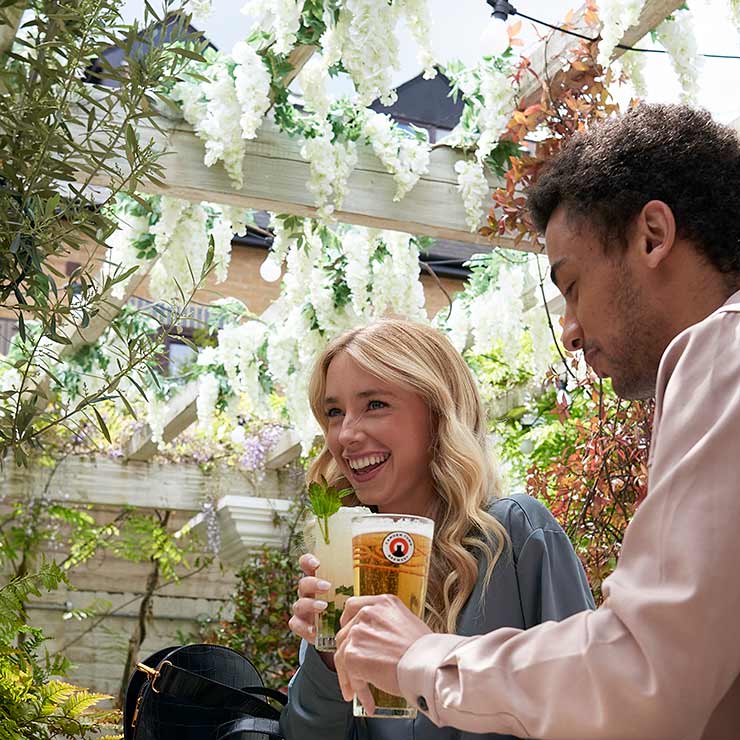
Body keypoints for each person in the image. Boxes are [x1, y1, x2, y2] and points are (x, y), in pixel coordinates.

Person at [332, 104, 740, 740]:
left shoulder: (724, 350)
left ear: (653, 236)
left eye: (572, 285)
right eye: (333, 411)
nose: (570, 332)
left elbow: (641, 675)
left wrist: (422, 657)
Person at [280, 318, 595, 740]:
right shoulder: (347, 561)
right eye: (334, 412)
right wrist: (328, 660)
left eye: (374, 404)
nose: (346, 434)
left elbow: (588, 701)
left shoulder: (514, 534)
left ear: (438, 413)